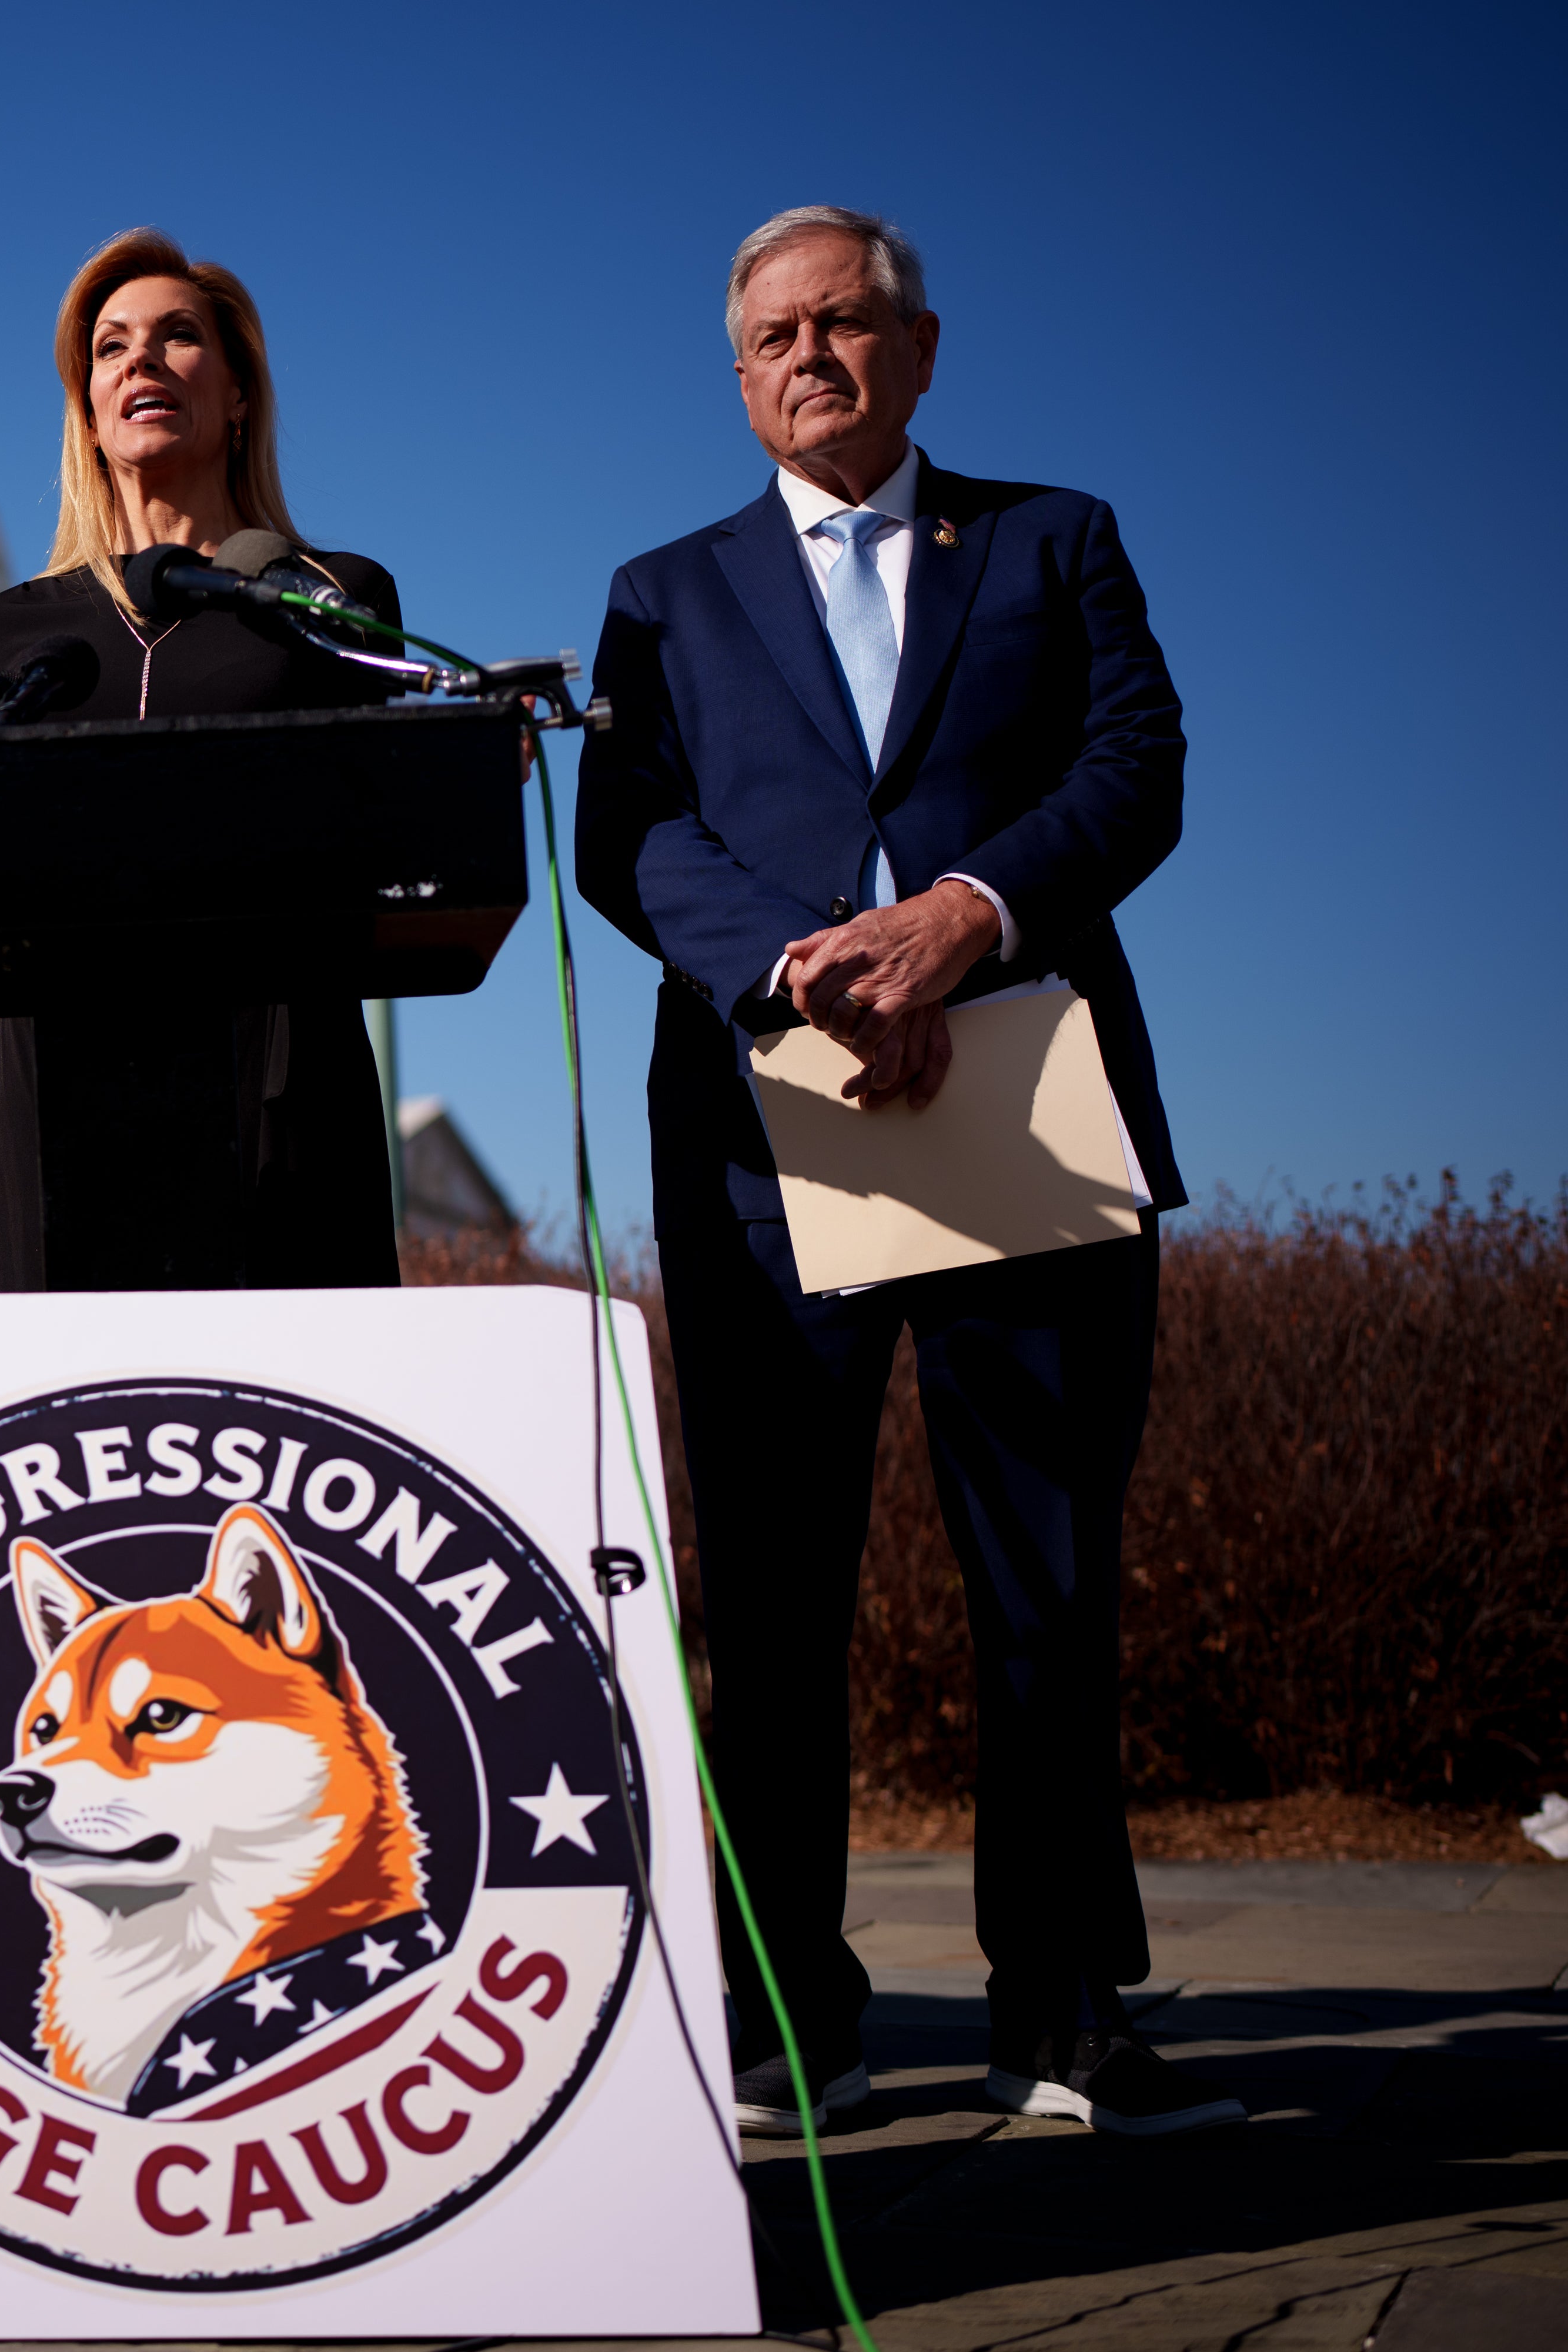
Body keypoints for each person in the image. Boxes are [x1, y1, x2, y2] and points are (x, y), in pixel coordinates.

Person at [577, 207, 1236, 2137]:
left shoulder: (1054, 538)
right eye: (774, 334)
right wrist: (807, 968)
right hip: (770, 1130)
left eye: (847, 322)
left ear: (923, 346)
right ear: (738, 369)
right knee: (770, 1602)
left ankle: (1063, 2007)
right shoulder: (662, 593)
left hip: (1021, 1091)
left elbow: (1138, 765)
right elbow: (627, 832)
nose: (812, 357)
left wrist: (965, 915)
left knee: (1044, 1578)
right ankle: (790, 2018)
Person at [0, 229, 406, 1292]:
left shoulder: (329, 595)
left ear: (241, 391)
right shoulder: (20, 628)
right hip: (64, 1080)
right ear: (88, 405)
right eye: (111, 350)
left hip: (280, 1072)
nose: (141, 364)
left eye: (177, 338)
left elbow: (390, 831)